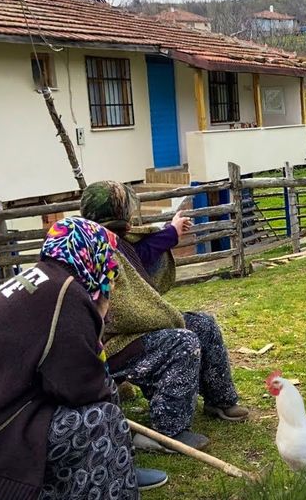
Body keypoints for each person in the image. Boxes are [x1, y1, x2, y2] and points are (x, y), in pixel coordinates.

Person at [0, 217, 166, 499]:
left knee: (98, 403)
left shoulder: (38, 280)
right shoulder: (66, 295)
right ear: (90, 253)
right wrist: (96, 319)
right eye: (109, 263)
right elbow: (83, 388)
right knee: (101, 418)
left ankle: (117, 467)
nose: (111, 273)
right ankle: (113, 476)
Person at [80, 181, 249, 452]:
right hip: (110, 343)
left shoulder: (120, 242)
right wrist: (161, 318)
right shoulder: (90, 249)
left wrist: (170, 231)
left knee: (202, 324)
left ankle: (220, 399)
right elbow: (120, 313)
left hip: (136, 329)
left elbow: (143, 254)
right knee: (181, 342)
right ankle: (167, 431)